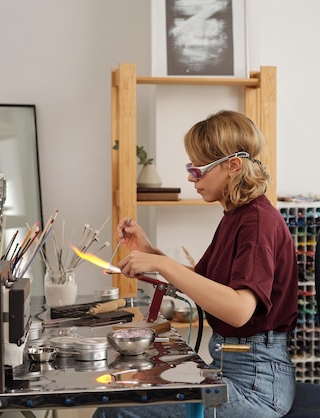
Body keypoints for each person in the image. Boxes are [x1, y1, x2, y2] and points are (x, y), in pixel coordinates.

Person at [93, 110, 299, 417]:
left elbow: (240, 310)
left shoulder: (257, 221)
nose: (191, 177)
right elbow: (205, 284)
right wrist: (152, 252)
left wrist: (162, 265)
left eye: (198, 169)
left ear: (232, 166)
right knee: (124, 399)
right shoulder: (238, 216)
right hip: (236, 371)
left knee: (120, 410)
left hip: (257, 388)